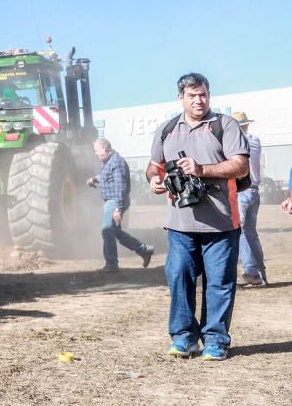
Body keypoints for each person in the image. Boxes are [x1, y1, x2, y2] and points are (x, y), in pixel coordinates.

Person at [147, 73, 249, 361]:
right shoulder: (167, 129)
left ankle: (215, 340)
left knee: (218, 283)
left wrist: (201, 169)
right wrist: (154, 180)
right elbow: (153, 167)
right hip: (180, 224)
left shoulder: (224, 125)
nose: (198, 100)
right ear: (181, 98)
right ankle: (183, 338)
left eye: (203, 94)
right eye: (192, 96)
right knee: (179, 277)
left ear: (208, 95)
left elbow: (240, 166)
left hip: (221, 223)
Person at [87, 138, 154, 271]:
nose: (96, 154)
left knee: (107, 231)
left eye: (97, 151)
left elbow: (120, 188)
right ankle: (144, 250)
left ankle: (111, 264)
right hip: (111, 202)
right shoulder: (109, 162)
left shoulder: (117, 163)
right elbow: (106, 176)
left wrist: (118, 208)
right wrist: (95, 178)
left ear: (105, 148)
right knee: (115, 232)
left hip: (114, 201)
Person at [232, 111, 266, 286]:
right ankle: (260, 272)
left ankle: (251, 271)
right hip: (254, 191)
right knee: (251, 234)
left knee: (242, 232)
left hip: (243, 191)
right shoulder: (255, 140)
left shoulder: (238, 142)